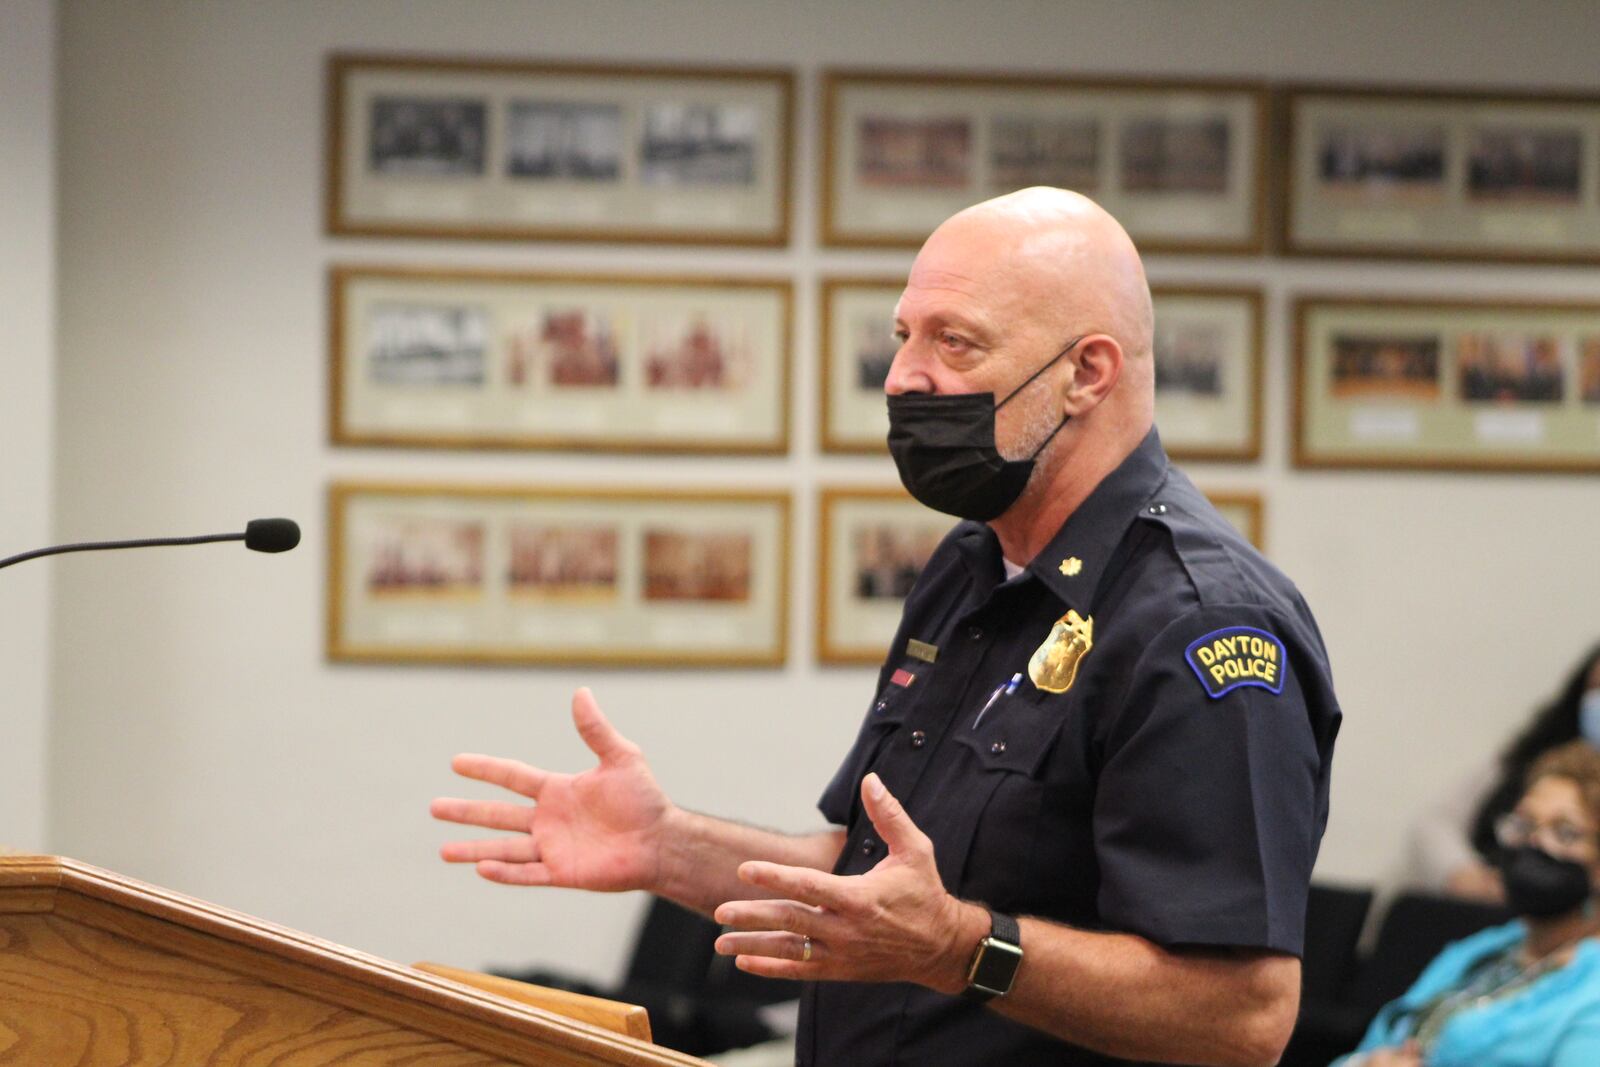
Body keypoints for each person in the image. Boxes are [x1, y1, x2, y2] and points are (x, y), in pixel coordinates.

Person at [431, 187, 1342, 1067]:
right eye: (905, 336)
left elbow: (1243, 1016)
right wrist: (665, 844)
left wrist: (959, 947)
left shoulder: (1200, 622)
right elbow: (866, 876)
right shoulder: (971, 566)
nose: (906, 375)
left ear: (1086, 374)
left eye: (956, 341)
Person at [1335, 740, 1600, 1067]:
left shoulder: (1591, 988)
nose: (1534, 844)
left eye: (1564, 832)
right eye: (1524, 825)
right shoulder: (1478, 951)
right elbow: (1371, 1045)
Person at [1406, 643, 1600, 903]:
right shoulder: (1526, 760)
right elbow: (1433, 824)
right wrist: (1469, 876)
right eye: (1524, 824)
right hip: (1483, 912)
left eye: (1565, 832)